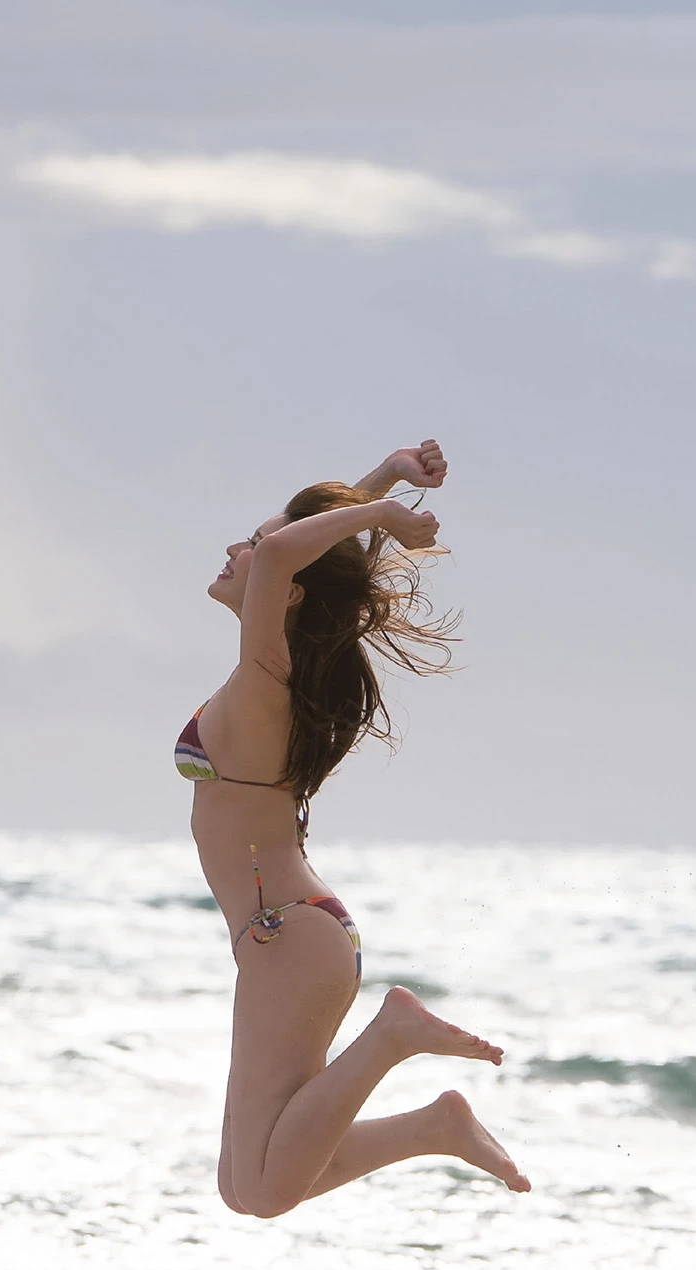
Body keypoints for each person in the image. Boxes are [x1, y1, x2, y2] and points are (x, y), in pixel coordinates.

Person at [178, 438, 529, 1218]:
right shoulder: (271, 664)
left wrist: (379, 510)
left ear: (289, 590)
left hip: (290, 939)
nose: (242, 543)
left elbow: (278, 553)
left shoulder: (269, 674)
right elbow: (289, 549)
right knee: (244, 1187)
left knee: (266, 1192)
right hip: (279, 941)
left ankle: (393, 1036)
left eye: (259, 545)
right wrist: (385, 477)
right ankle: (435, 1126)